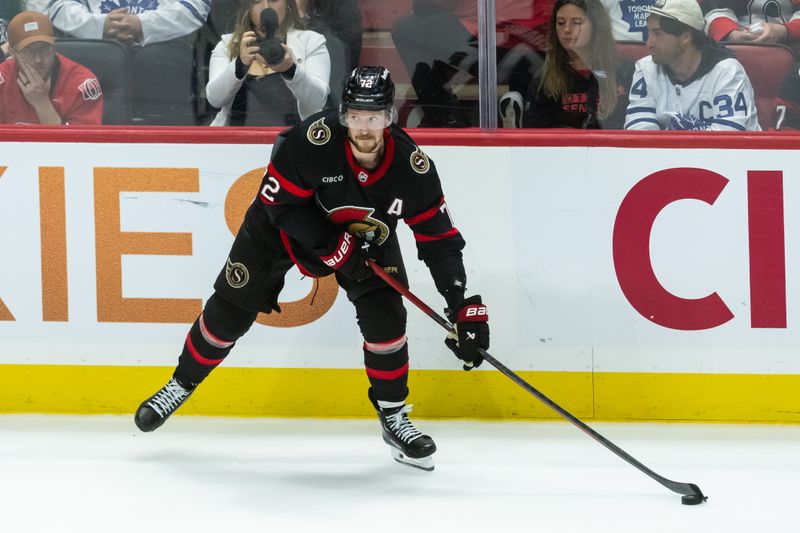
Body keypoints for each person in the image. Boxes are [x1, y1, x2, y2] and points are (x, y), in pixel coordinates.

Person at [134, 66, 490, 472]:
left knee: (387, 318)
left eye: (373, 117)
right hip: (279, 230)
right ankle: (180, 384)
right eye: (356, 116)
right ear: (343, 115)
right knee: (229, 312)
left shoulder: (413, 168)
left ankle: (393, 416)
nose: (364, 128)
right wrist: (328, 245)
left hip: (365, 237)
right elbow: (278, 203)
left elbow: (439, 240)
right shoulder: (312, 141)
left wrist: (460, 304)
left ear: (390, 117)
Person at [392, 0, 551, 127]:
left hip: (482, 44)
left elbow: (426, 6)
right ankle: (527, 107)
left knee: (404, 29)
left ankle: (444, 115)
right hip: (534, 47)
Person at [624, 0, 761, 130]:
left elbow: (728, 142)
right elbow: (639, 135)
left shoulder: (726, 72)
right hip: (668, 154)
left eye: (658, 34)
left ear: (685, 36)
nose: (649, 43)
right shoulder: (646, 69)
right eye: (649, 32)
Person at [206, 0, 330, 126]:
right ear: (247, 7)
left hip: (294, 141)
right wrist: (240, 64)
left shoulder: (311, 42)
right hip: (235, 141)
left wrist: (291, 70)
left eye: (273, 0)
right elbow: (215, 99)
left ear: (287, 4)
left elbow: (318, 100)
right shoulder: (227, 45)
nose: (266, 7)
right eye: (256, 1)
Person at [525, 0, 631, 128]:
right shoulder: (544, 78)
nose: (567, 29)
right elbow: (536, 135)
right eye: (560, 23)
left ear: (596, 26)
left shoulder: (624, 71)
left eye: (576, 23)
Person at [699, 0, 800, 129]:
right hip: (728, 47)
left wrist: (784, 31)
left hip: (793, 48)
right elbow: (713, 9)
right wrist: (733, 34)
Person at [0, 11, 102, 125]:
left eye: (44, 48)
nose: (38, 59)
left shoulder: (82, 83)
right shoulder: (2, 78)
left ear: (54, 46)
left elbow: (77, 141)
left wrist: (42, 103)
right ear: (12, 52)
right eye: (28, 50)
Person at [47, 0, 211, 47]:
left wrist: (143, 24)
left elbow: (199, 7)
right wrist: (100, 26)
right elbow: (58, 7)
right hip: (98, 61)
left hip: (167, 59)